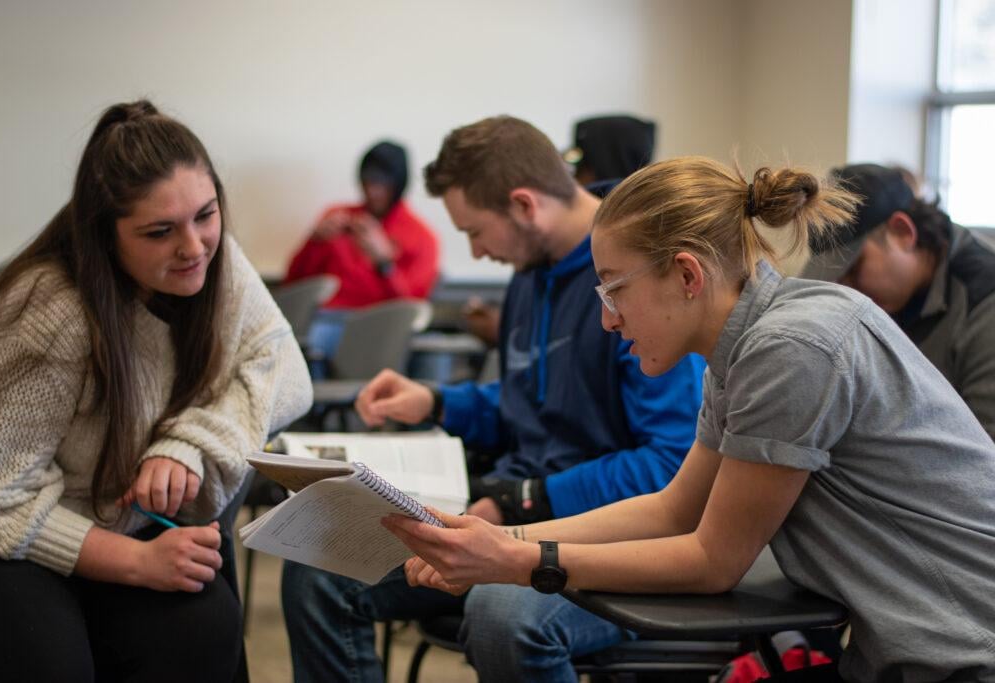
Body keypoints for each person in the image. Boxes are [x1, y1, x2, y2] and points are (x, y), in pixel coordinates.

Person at [385, 157, 995, 682]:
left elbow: (712, 561)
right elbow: (672, 510)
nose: (608, 320)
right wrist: (494, 541)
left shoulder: (793, 348)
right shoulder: (746, 345)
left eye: (612, 290)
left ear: (686, 275)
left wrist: (519, 561)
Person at [280, 116, 705, 682]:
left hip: (606, 537)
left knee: (501, 612)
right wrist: (435, 402)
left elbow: (668, 467)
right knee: (320, 570)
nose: (476, 253)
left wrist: (520, 502)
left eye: (475, 232)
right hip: (509, 515)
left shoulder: (637, 277)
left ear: (524, 206)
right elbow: (525, 402)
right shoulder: (530, 276)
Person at [0, 100, 313, 683]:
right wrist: (135, 562)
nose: (194, 246)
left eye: (206, 215)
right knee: (52, 663)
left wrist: (189, 444)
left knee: (203, 628)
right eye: (160, 231)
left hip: (125, 521)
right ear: (105, 235)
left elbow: (283, 365)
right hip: (16, 536)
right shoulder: (53, 310)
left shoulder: (214, 257)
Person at [802, 163, 995, 440]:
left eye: (855, 270)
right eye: (837, 279)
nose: (849, 291)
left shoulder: (984, 302)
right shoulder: (887, 298)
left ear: (903, 232)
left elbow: (987, 456)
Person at [465, 113, 659, 348]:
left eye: (581, 169)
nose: (574, 181)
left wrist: (499, 328)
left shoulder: (638, 253)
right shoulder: (549, 254)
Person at [284, 140, 440, 361]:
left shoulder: (422, 237)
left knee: (318, 340)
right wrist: (314, 241)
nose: (372, 192)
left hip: (379, 329)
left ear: (398, 186)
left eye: (381, 185)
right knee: (303, 341)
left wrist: (385, 263)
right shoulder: (337, 216)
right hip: (326, 319)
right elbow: (294, 283)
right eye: (367, 182)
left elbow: (412, 312)